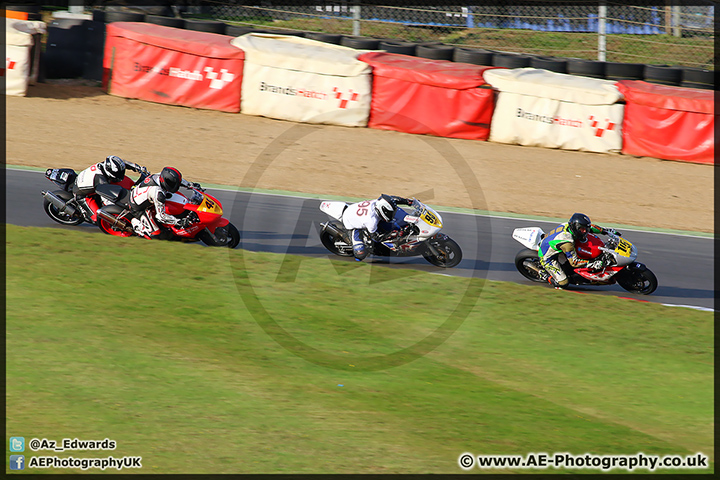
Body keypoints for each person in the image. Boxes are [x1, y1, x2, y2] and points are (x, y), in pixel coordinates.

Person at [538, 213, 619, 288]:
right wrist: (593, 264)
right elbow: (574, 262)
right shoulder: (567, 242)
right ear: (575, 227)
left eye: (585, 229)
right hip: (546, 257)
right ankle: (544, 275)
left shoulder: (570, 225)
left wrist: (606, 231)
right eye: (582, 229)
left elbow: (591, 227)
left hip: (555, 245)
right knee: (563, 283)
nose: (585, 231)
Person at [128, 166, 202, 238]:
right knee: (155, 235)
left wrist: (190, 185)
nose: (175, 186)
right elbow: (160, 216)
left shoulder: (161, 175)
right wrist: (178, 222)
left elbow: (177, 180)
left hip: (144, 193)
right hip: (138, 208)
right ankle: (138, 226)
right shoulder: (158, 194)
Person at [73, 155, 146, 222]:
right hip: (82, 195)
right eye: (118, 174)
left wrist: (137, 168)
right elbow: (107, 201)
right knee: (97, 218)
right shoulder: (101, 181)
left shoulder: (107, 165)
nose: (120, 175)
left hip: (92, 183)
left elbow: (123, 163)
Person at [342, 194, 415, 261]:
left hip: (356, 211)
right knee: (360, 254)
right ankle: (348, 238)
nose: (392, 214)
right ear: (383, 210)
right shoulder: (371, 221)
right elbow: (376, 238)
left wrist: (409, 202)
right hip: (351, 222)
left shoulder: (380, 202)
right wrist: (393, 234)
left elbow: (392, 199)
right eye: (390, 213)